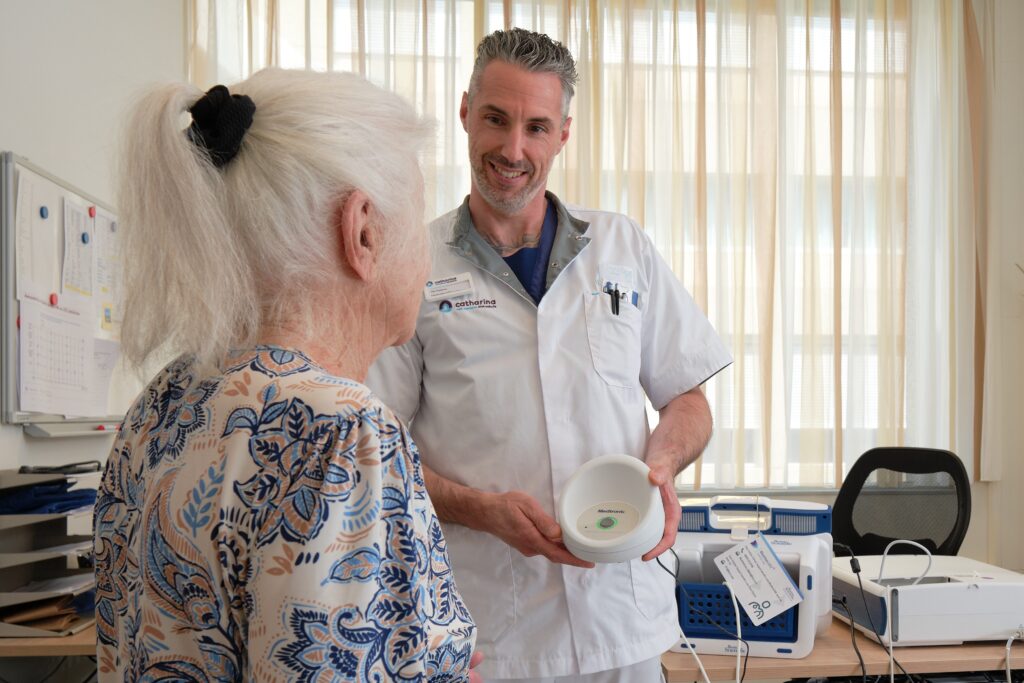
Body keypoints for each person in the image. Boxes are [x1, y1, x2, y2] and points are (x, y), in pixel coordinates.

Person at [367, 28, 733, 681]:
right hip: (488, 636)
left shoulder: (621, 247)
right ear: (464, 113)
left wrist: (662, 464)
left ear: (563, 133)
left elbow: (688, 398)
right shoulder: (413, 265)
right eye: (496, 120)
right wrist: (481, 508)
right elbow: (377, 451)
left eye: (536, 126)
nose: (513, 149)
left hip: (621, 623)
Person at [93, 69, 480, 681]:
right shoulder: (345, 434)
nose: (428, 254)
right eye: (418, 218)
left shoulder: (158, 405)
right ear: (363, 232)